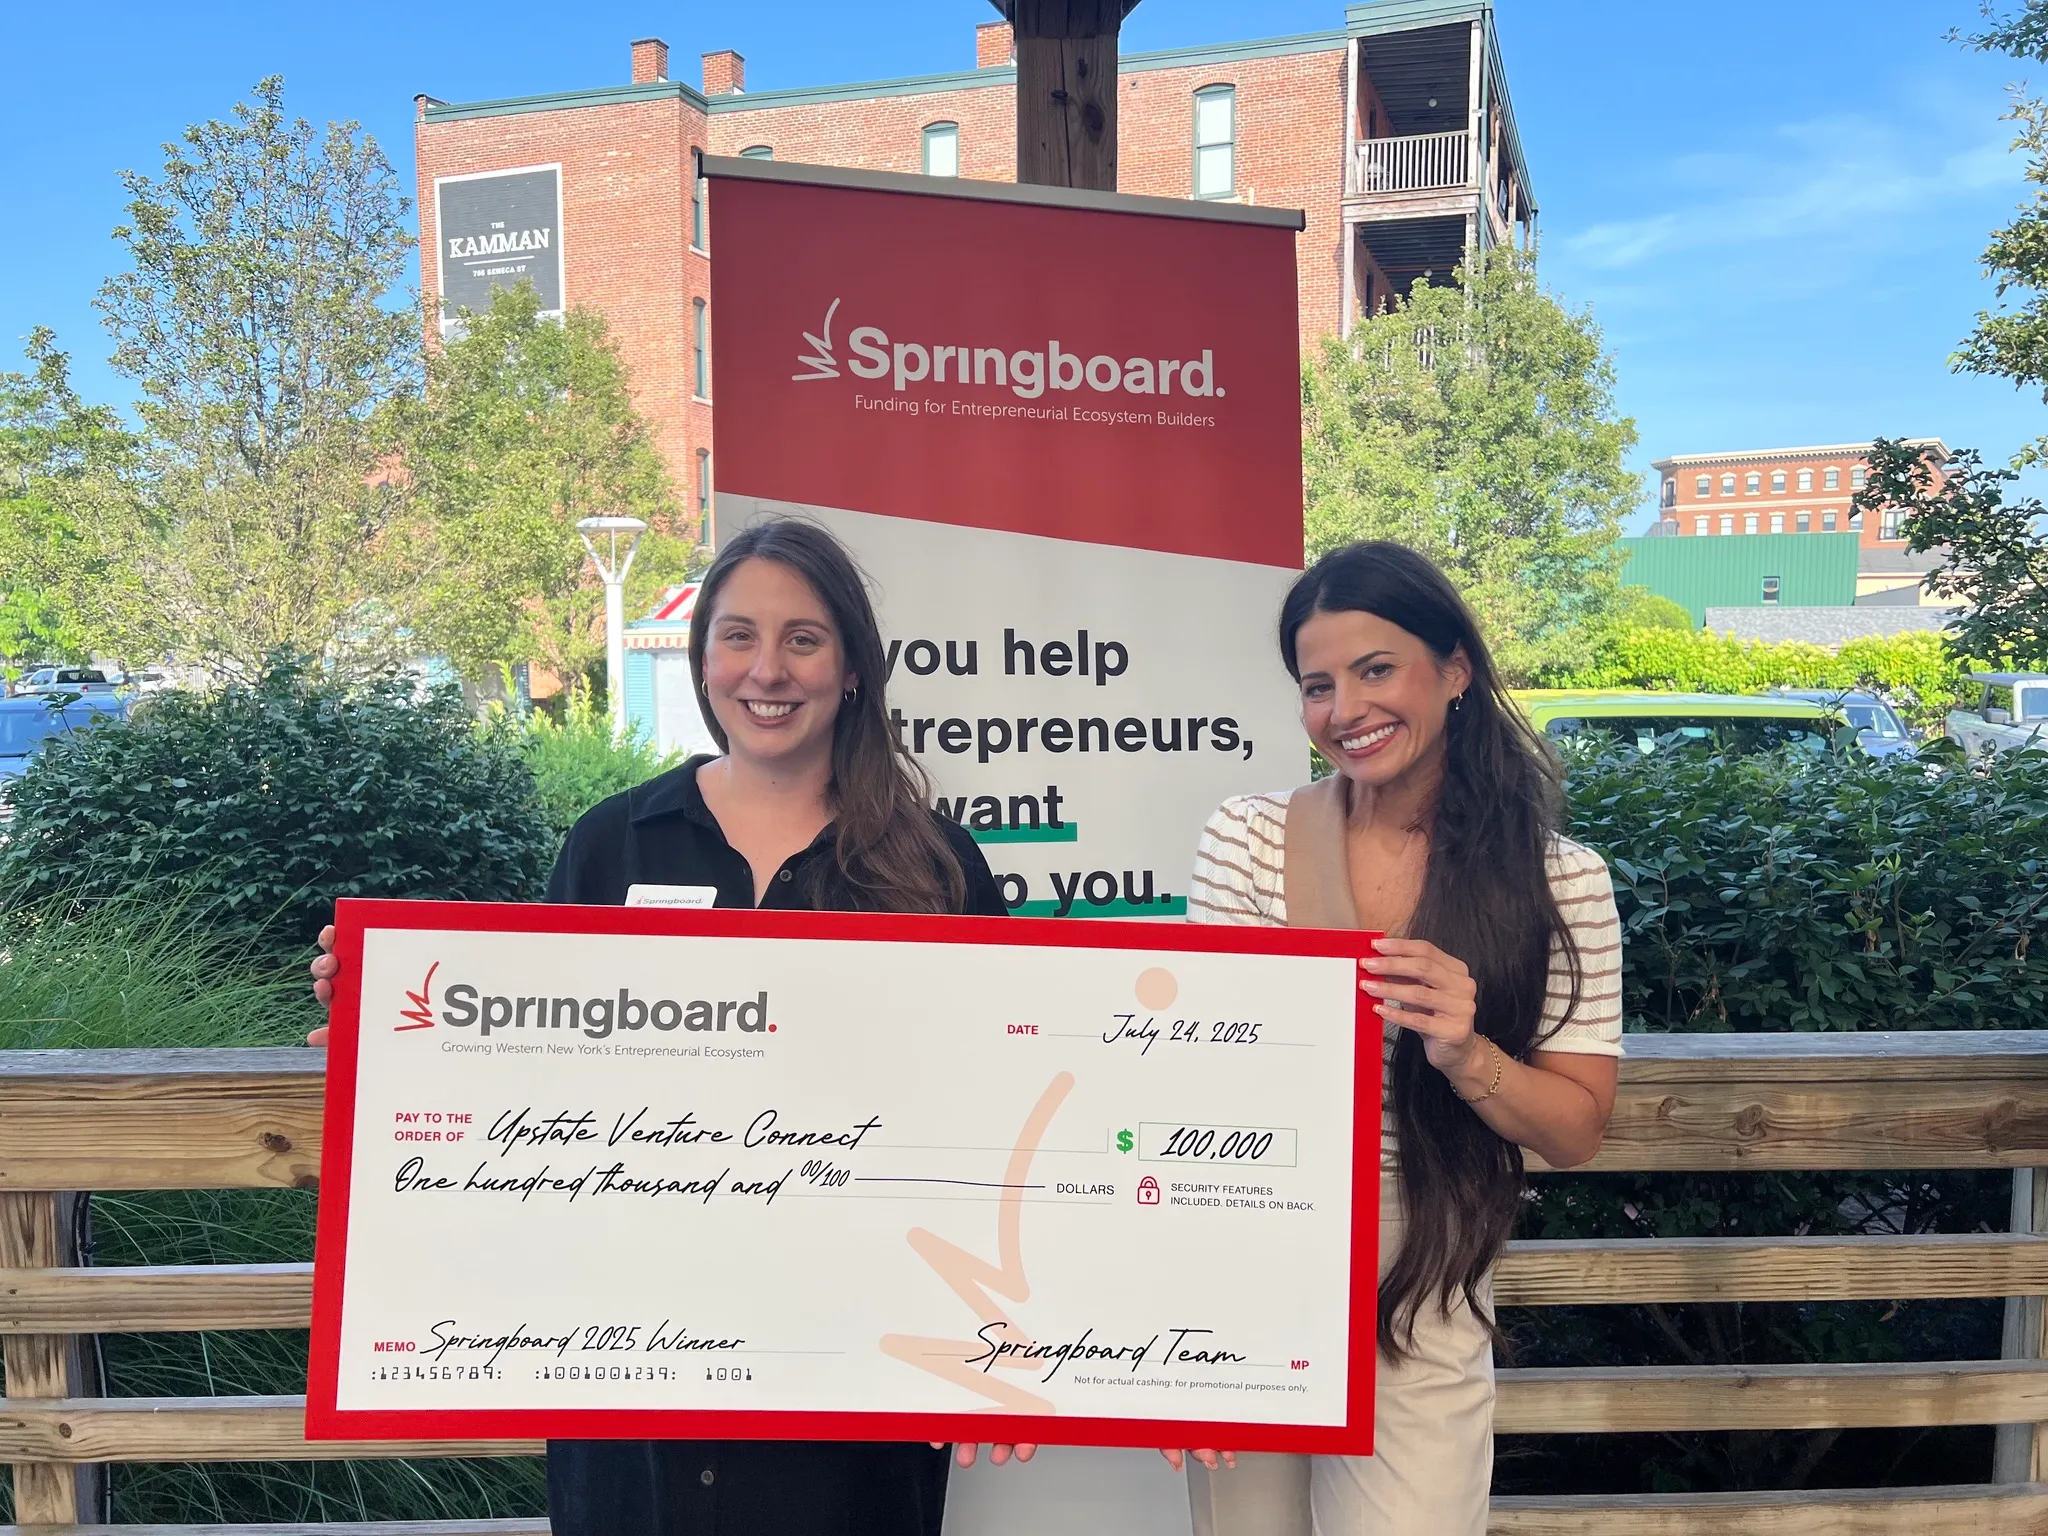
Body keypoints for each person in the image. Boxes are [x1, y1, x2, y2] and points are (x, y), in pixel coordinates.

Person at [311, 517, 1028, 1536]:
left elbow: (995, 1118)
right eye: (738, 636)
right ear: (702, 659)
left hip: (852, 1375)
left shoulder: (937, 867)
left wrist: (997, 1337)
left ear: (851, 671)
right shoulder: (611, 845)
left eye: (802, 639)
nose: (766, 670)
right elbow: (530, 1079)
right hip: (630, 1372)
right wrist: (389, 1043)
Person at [1178, 541, 1623, 1536]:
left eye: (1375, 670)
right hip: (1253, 1239)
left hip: (1425, 1265)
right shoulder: (1247, 837)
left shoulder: (1560, 879)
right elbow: (1205, 1074)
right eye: (1317, 686)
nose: (1345, 709)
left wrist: (1469, 1054)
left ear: (1454, 669)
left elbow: (1575, 1130)